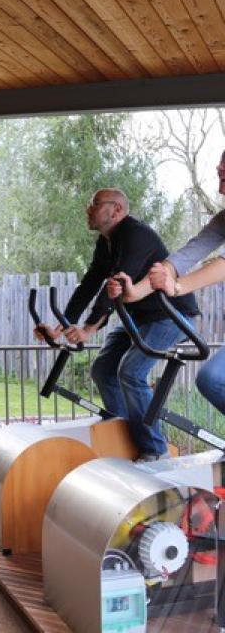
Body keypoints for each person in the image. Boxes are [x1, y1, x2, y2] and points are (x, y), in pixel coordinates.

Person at [35, 188, 199, 462]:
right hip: (137, 318)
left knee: (131, 372)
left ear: (117, 210)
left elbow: (114, 287)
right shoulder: (105, 242)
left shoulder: (137, 235)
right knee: (102, 369)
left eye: (95, 203)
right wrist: (60, 326)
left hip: (171, 316)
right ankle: (128, 436)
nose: (88, 208)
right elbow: (90, 284)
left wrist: (88, 328)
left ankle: (156, 451)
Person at [109, 151, 225, 416]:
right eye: (218, 177)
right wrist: (134, 292)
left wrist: (178, 287)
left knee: (214, 378)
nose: (220, 188)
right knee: (210, 380)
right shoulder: (223, 220)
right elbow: (182, 259)